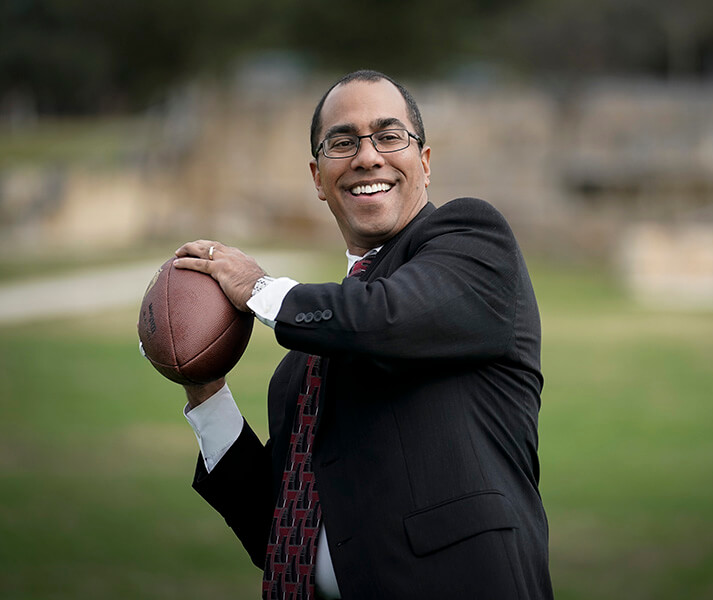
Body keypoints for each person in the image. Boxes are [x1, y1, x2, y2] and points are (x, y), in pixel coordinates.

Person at [172, 69, 552, 599]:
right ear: (317, 176)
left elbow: (387, 318)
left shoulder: (474, 242)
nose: (367, 156)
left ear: (424, 161)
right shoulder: (299, 371)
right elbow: (279, 534)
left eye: (389, 136)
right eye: (342, 142)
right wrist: (203, 385)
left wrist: (259, 288)